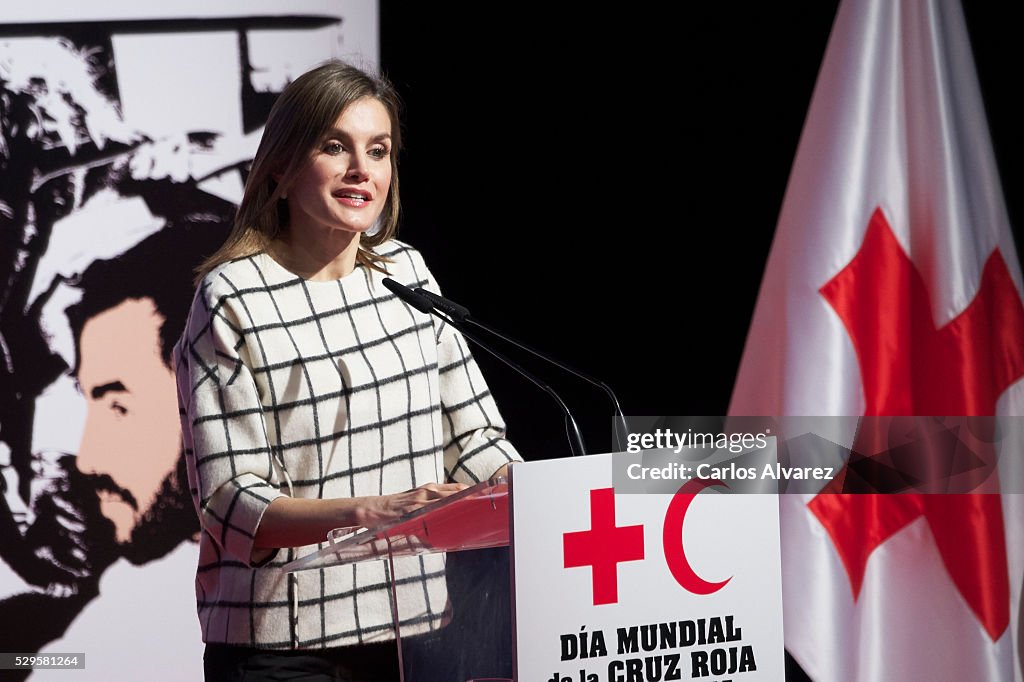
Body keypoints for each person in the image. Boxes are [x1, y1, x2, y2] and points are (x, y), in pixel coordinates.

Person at [174, 59, 521, 681]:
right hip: (285, 648)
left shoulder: (405, 275)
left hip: (417, 636)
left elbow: (476, 442)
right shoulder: (233, 297)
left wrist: (537, 499)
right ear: (281, 166)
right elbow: (230, 503)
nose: (363, 170)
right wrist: (374, 511)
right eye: (336, 147)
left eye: (379, 150)